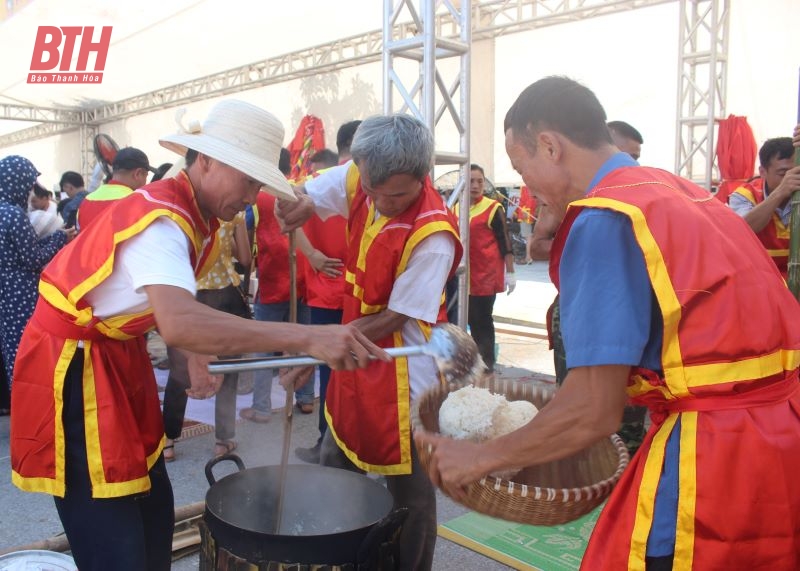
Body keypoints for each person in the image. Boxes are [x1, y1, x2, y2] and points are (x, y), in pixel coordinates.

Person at [417, 76, 800, 571]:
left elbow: (594, 410)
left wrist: (482, 458)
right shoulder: (679, 190)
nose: (526, 189)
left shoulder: (604, 218)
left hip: (711, 461)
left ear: (550, 147)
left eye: (521, 167)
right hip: (780, 438)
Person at [9, 99, 388, 571]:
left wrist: (192, 351)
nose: (251, 196)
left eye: (258, 183)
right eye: (246, 179)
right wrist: (307, 338)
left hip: (115, 355)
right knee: (111, 530)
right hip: (75, 366)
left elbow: (160, 304)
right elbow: (180, 319)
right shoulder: (165, 221)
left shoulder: (198, 212)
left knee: (150, 505)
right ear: (204, 160)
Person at [278, 114, 462, 571]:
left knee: (412, 493)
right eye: (374, 191)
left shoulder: (432, 232)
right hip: (353, 355)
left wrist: (315, 348)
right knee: (335, 455)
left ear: (424, 175)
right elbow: (313, 195)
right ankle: (336, 555)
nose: (382, 202)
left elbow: (396, 316)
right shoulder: (365, 174)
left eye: (397, 194)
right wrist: (298, 202)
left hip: (405, 368)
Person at [162, 208, 252, 461]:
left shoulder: (182, 212)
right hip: (227, 298)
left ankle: (168, 440)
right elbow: (245, 257)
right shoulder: (234, 213)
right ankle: (223, 441)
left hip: (190, 296)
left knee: (180, 371)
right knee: (229, 369)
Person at [295, 129, 355, 464]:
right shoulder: (338, 180)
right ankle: (335, 447)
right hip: (346, 290)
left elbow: (284, 209)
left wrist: (311, 253)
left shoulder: (315, 181)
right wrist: (313, 254)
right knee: (343, 370)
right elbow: (283, 205)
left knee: (332, 370)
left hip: (333, 289)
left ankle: (330, 446)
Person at [0, 156, 73, 392]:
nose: (31, 192)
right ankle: (38, 409)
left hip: (4, 294)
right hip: (20, 292)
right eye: (29, 184)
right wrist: (60, 238)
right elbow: (33, 259)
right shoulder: (14, 215)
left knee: (13, 353)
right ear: (19, 183)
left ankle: (21, 408)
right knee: (32, 351)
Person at [458, 163, 515, 372]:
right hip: (462, 277)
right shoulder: (457, 206)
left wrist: (511, 273)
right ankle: (467, 364)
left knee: (481, 321)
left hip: (485, 276)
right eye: (471, 181)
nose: (475, 185)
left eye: (479, 181)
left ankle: (486, 366)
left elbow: (505, 241)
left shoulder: (493, 207)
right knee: (461, 321)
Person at [728, 136, 800, 277]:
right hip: (759, 278)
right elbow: (742, 229)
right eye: (783, 174)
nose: (790, 178)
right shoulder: (744, 195)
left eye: (795, 172)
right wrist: (780, 192)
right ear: (762, 172)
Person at [77, 146, 153, 229]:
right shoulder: (138, 202)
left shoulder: (86, 201)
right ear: (137, 174)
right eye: (146, 176)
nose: (146, 182)